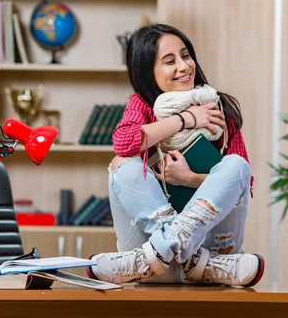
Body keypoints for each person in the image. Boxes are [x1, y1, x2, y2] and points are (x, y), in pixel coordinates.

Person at [86, 23, 264, 287]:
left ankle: (167, 248)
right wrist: (186, 119)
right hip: (169, 266)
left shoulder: (218, 105)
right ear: (148, 73)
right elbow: (123, 142)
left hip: (199, 256)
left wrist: (189, 179)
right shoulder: (142, 104)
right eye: (170, 61)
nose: (184, 66)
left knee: (236, 165)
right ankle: (181, 254)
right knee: (123, 164)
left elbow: (243, 182)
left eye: (186, 55)